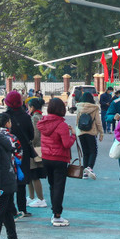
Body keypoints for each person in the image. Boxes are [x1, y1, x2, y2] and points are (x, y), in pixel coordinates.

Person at [37, 97, 76, 227]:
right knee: (59, 187)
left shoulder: (43, 123)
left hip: (46, 158)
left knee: (52, 185)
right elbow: (66, 144)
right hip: (59, 159)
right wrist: (73, 135)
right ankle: (57, 215)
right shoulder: (62, 125)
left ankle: (54, 212)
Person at [4, 90, 34, 217]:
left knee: (8, 180)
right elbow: (31, 135)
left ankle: (10, 208)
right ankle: (22, 209)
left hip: (7, 151)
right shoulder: (26, 117)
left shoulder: (4, 116)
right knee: (22, 181)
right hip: (23, 152)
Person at [75, 91, 103, 180]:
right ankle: (89, 168)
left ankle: (85, 172)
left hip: (81, 132)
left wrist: (77, 132)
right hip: (91, 132)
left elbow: (77, 121)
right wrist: (101, 133)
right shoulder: (94, 108)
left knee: (85, 152)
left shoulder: (79, 107)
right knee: (93, 151)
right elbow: (98, 121)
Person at [26, 98, 47, 209]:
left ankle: (40, 198)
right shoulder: (42, 116)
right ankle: (32, 196)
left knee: (34, 175)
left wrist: (29, 142)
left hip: (34, 150)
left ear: (32, 107)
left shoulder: (34, 118)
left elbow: (34, 136)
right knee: (30, 174)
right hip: (39, 149)